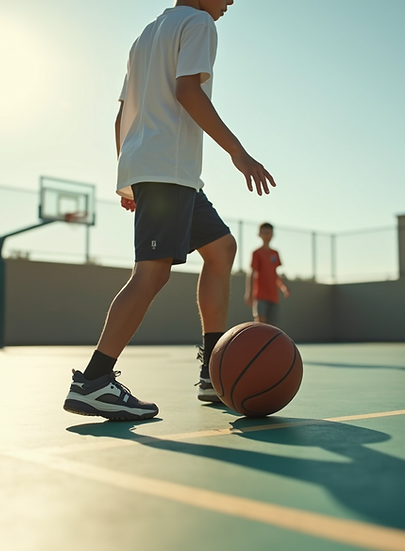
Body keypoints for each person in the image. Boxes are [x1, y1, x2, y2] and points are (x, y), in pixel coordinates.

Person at [63, 0, 275, 421]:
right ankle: (93, 382)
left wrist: (129, 174)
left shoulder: (145, 35)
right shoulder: (198, 23)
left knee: (221, 249)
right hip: (168, 169)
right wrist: (239, 153)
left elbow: (122, 115)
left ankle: (213, 371)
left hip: (160, 169)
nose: (230, 2)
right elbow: (187, 90)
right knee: (152, 273)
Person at [245, 222, 290, 325]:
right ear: (259, 234)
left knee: (273, 327)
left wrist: (283, 287)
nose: (266, 235)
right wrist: (249, 293)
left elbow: (275, 274)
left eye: (268, 233)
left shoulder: (275, 253)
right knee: (261, 324)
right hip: (260, 296)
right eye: (264, 233)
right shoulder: (256, 253)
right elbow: (252, 272)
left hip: (273, 297)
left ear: (273, 234)